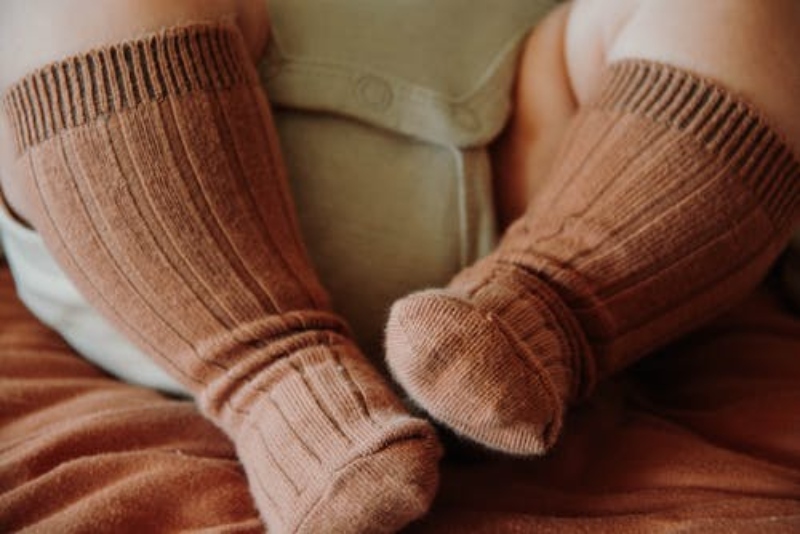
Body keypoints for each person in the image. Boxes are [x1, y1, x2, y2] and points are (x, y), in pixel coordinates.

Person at [0, 0, 798, 532]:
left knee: (744, 13)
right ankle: (272, 375)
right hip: (163, 236)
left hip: (536, 177)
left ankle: (543, 315)